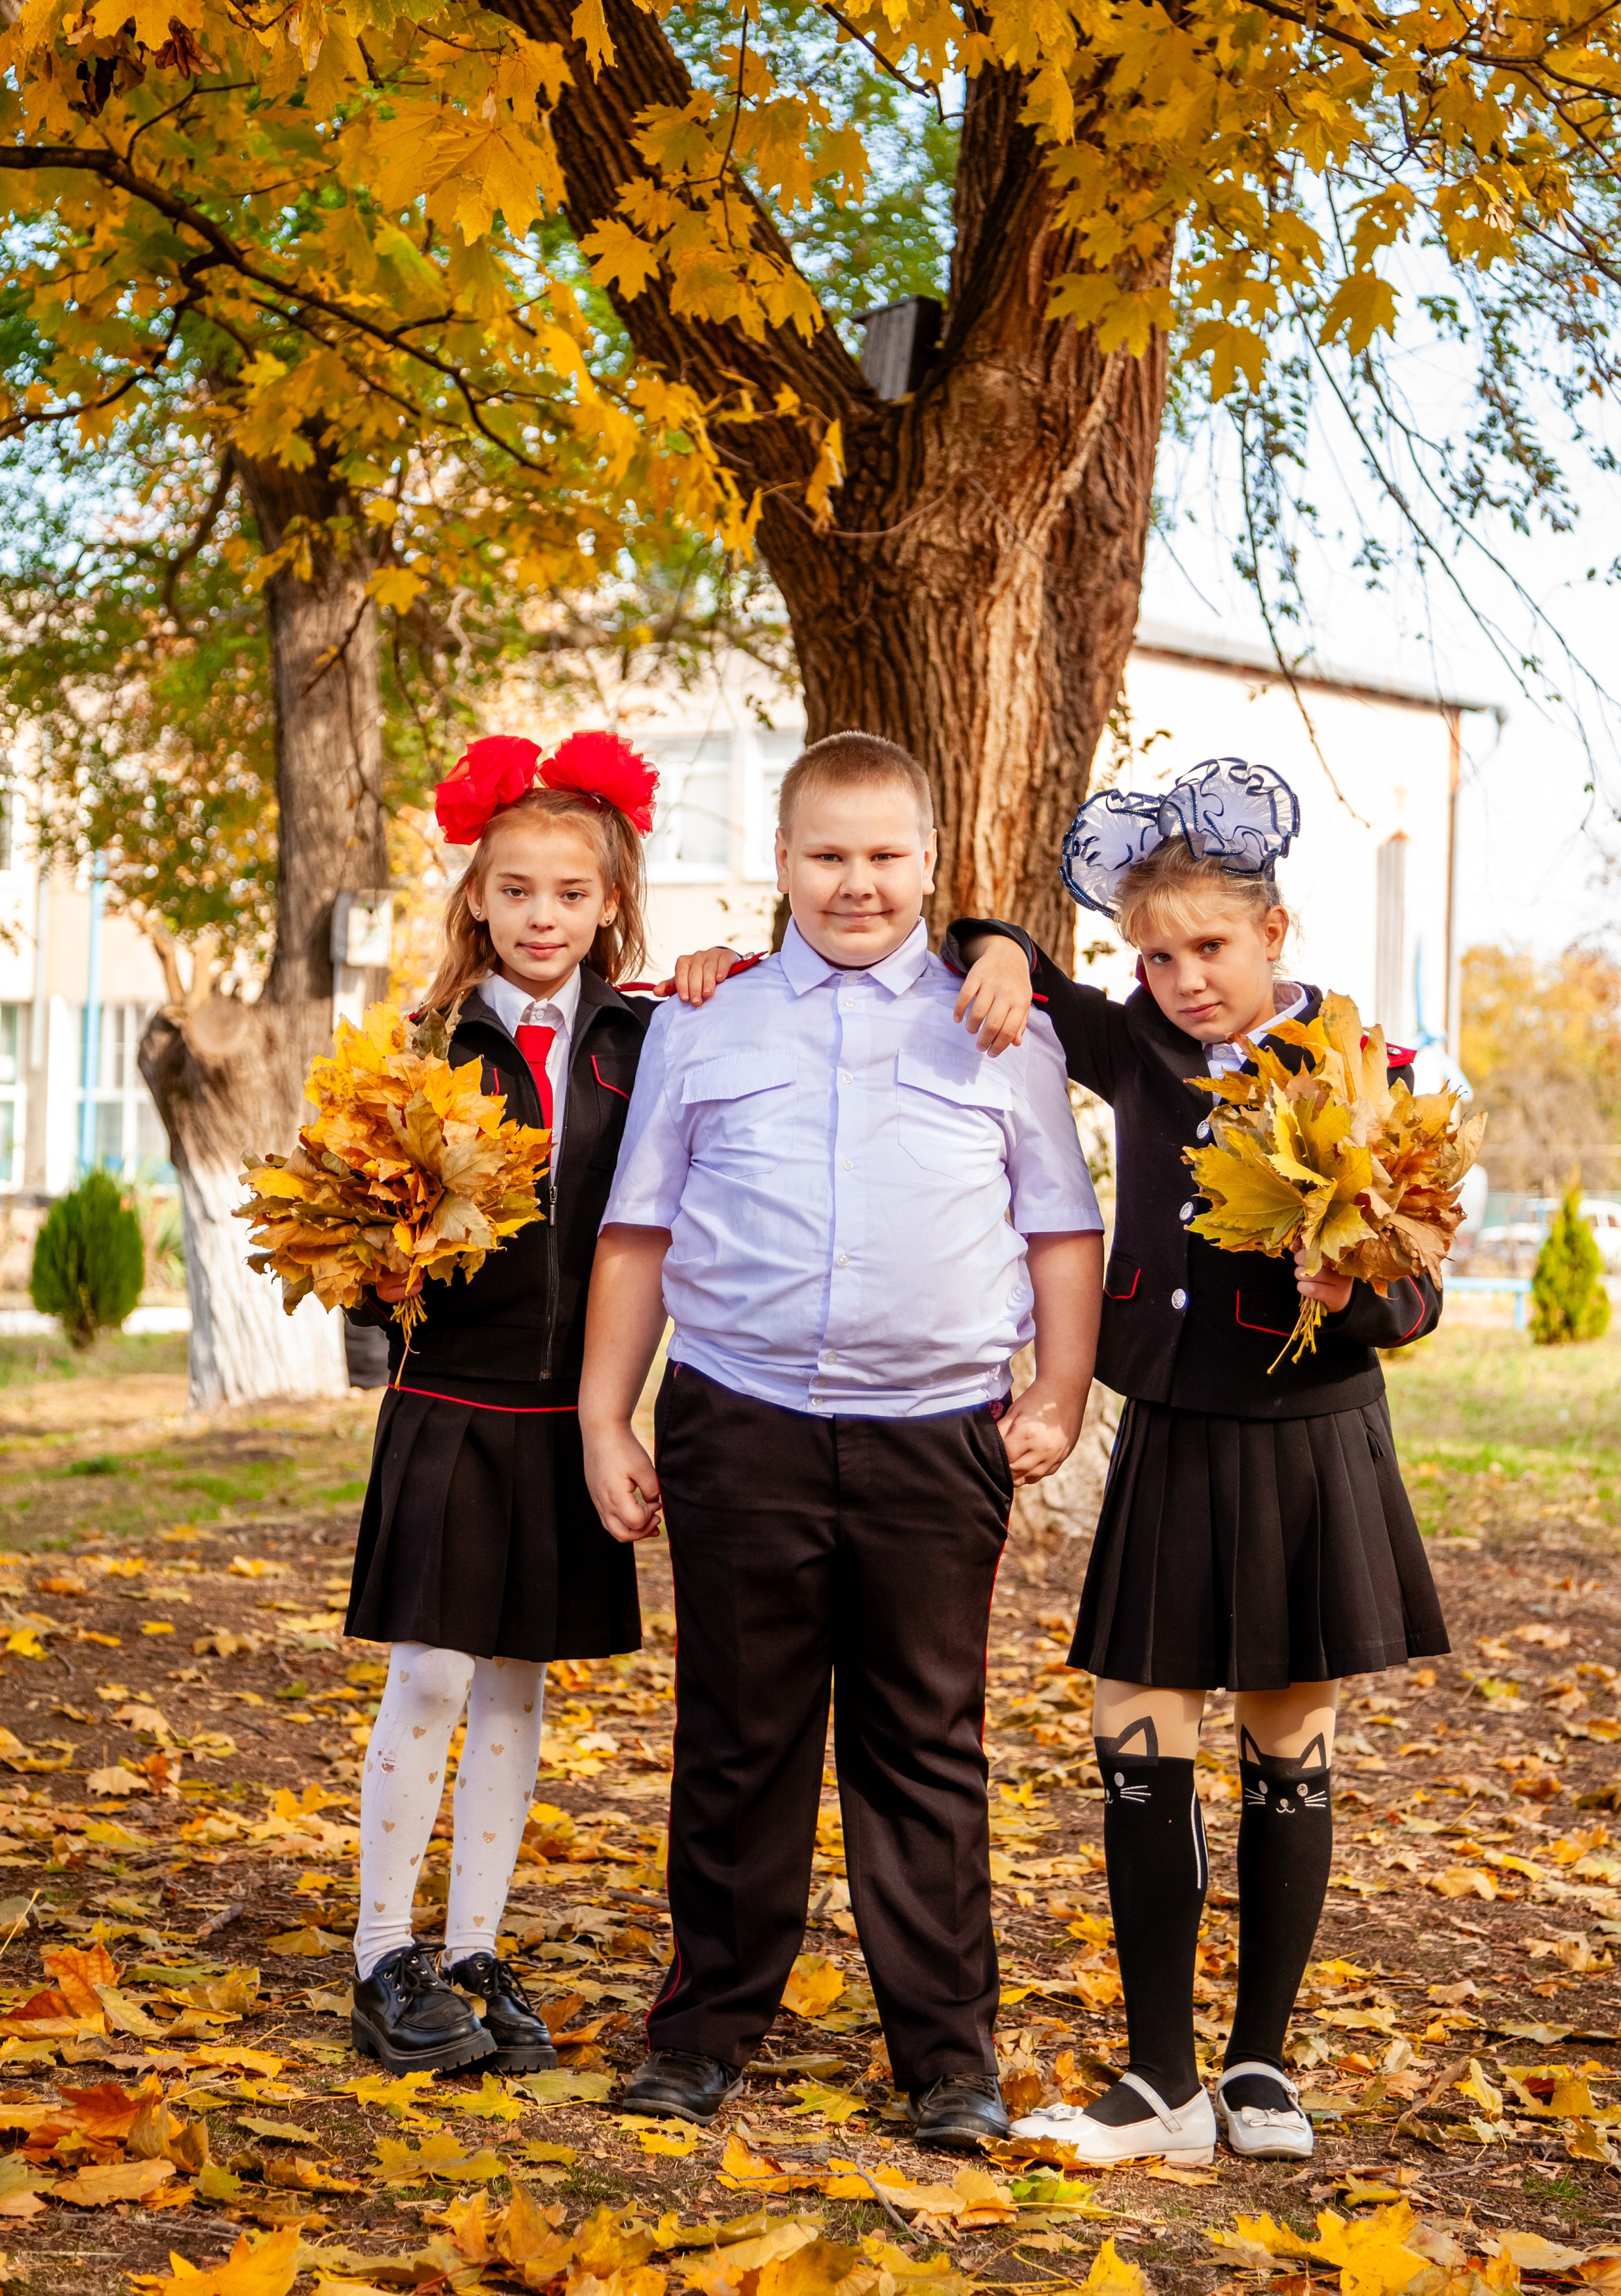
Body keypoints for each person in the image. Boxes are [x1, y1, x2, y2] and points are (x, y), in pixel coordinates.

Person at [578, 730, 1106, 2150]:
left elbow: (1061, 1233)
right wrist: (601, 1412)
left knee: (922, 1745)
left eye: (883, 857)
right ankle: (699, 2033)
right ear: (780, 860)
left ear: (929, 867)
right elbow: (636, 1236)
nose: (855, 883)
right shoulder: (705, 1025)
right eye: (827, 854)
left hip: (934, 1438)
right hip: (737, 1421)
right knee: (736, 1738)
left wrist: (1054, 1395)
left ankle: (946, 2059)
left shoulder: (1000, 1030)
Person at [946, 757, 1450, 2167]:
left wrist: (1343, 1290)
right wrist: (985, 939)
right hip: (1169, 1431)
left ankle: (1259, 2066)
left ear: (1274, 933)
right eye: (1153, 953)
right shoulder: (1138, 1047)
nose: (1180, 977)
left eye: (1208, 949)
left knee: (1286, 1734)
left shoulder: (1372, 1073)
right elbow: (1020, 974)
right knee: (1136, 1724)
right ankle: (1157, 2079)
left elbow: (1416, 1298)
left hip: (1308, 1445)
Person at [343, 728, 663, 2077]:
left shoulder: (645, 1045)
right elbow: (361, 1257)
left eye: (571, 894)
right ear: (475, 893)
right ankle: (380, 1956)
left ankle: (474, 1945)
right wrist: (379, 1276)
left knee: (520, 1687)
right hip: (448, 1406)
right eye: (516, 889)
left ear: (608, 905)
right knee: (428, 1674)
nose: (543, 916)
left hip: (567, 1416)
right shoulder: (419, 1049)